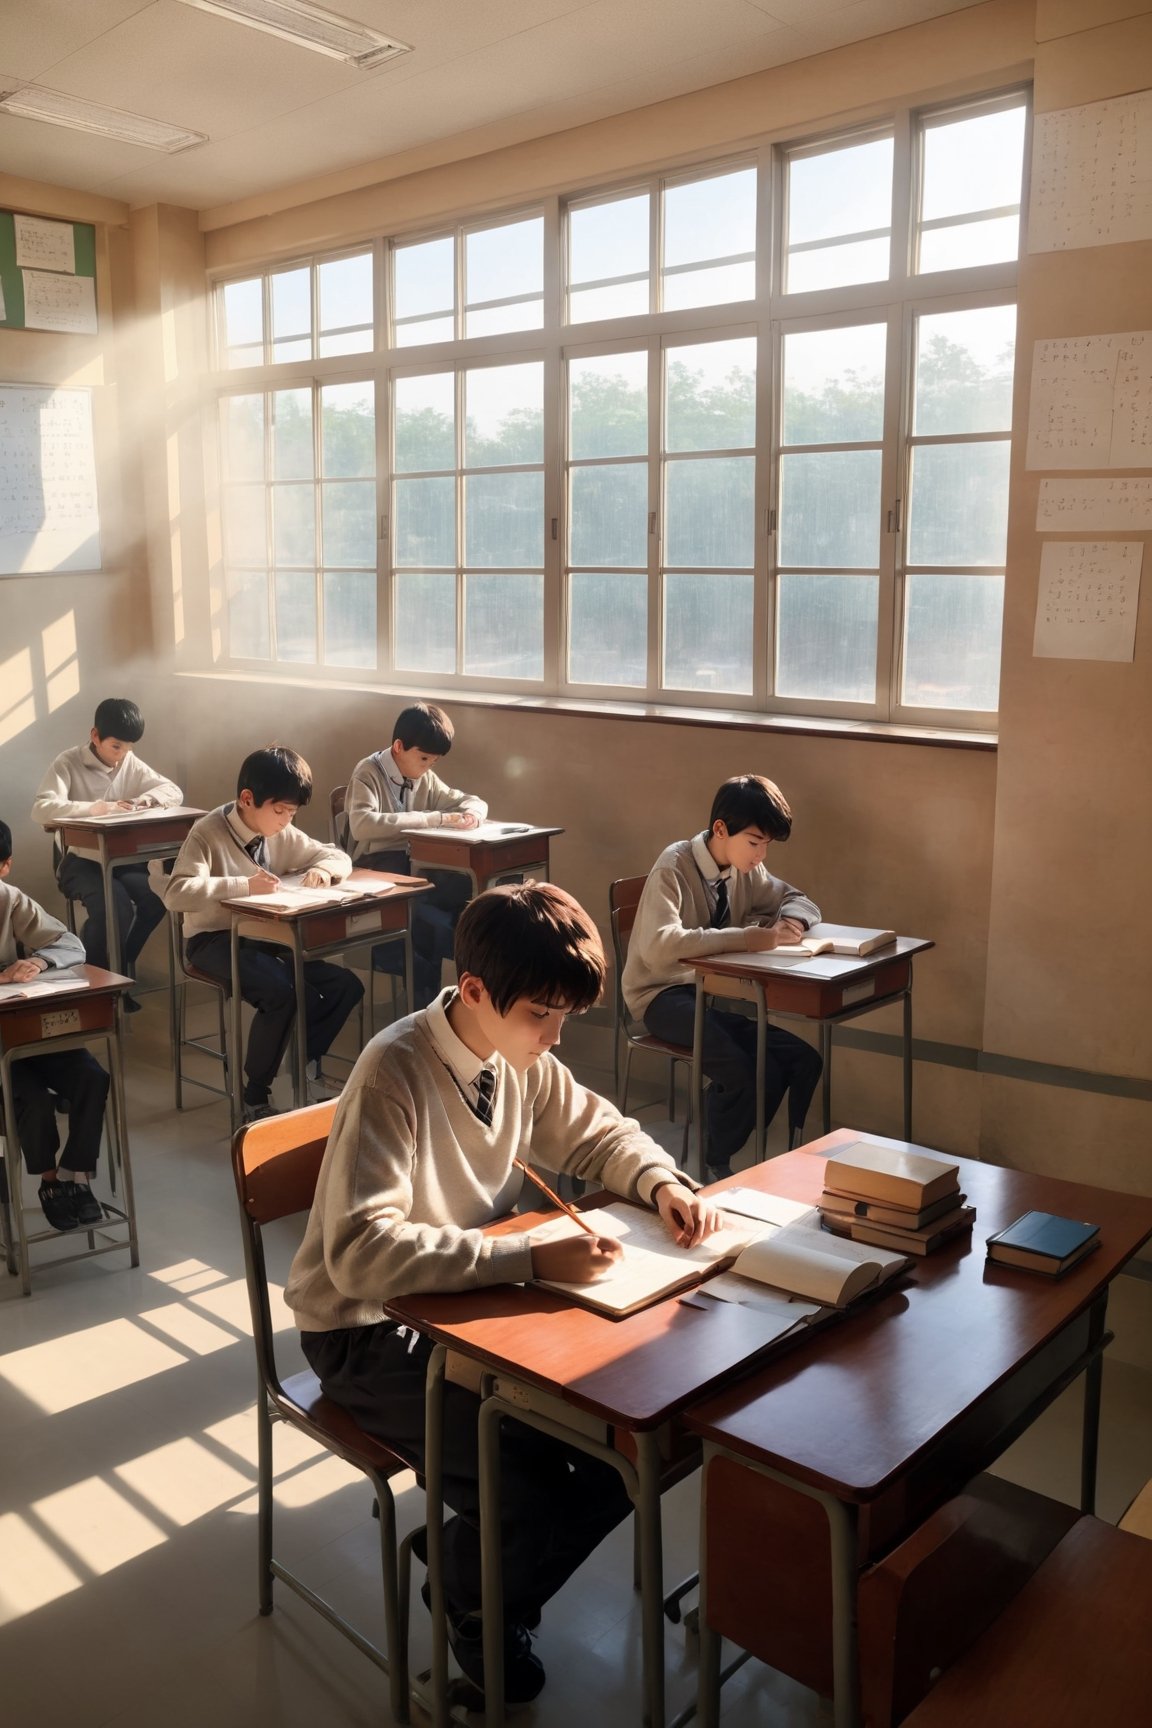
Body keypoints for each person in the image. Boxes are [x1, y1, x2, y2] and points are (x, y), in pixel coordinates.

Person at [285, 881, 719, 1706]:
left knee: (615, 1458)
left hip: (464, 1311)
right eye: (541, 1016)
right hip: (364, 1330)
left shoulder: (515, 1055)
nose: (552, 1039)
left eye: (564, 1020)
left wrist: (660, 1181)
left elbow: (597, 1130)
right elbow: (358, 1255)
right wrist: (528, 1257)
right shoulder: (394, 1073)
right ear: (475, 992)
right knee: (525, 1484)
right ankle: (472, 1600)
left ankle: (463, 1559)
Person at [622, 773, 823, 1177]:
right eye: (754, 842)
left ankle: (756, 1149)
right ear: (720, 829)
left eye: (766, 844)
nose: (761, 854)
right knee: (744, 1069)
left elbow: (799, 900)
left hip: (707, 995)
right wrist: (753, 938)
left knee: (801, 1059)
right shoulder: (674, 865)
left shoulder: (745, 870)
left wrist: (792, 924)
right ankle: (711, 1160)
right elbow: (660, 945)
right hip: (661, 996)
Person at [163, 745, 363, 1121]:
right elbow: (176, 894)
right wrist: (242, 885)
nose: (286, 821)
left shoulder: (279, 830)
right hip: (212, 940)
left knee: (345, 986)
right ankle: (255, 1095)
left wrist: (326, 871)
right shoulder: (207, 831)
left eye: (292, 813)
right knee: (282, 992)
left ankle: (302, 1065)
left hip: (264, 937)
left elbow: (336, 854)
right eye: (280, 811)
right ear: (247, 799)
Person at [32, 697, 182, 1005]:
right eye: (116, 746)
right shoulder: (68, 762)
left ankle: (118, 969)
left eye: (129, 748)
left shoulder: (128, 761)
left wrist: (145, 801)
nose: (122, 755)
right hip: (77, 861)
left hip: (121, 859)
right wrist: (95, 809)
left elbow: (172, 791)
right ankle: (98, 989)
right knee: (116, 906)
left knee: (158, 895)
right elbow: (41, 809)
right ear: (95, 736)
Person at [0, 818, 110, 1233]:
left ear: (4, 866)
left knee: (92, 1077)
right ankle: (49, 1183)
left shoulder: (9, 899)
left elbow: (69, 943)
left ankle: (74, 1175)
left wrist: (38, 961)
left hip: (20, 1027)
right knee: (32, 1097)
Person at [345, 702, 488, 1009]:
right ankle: (426, 1014)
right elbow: (362, 825)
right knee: (428, 924)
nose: (427, 768)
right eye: (423, 759)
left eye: (433, 762)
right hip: (378, 872)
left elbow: (469, 800)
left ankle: (469, 997)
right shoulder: (368, 772)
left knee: (475, 902)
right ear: (399, 747)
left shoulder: (424, 776)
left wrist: (473, 814)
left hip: (416, 871)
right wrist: (433, 818)